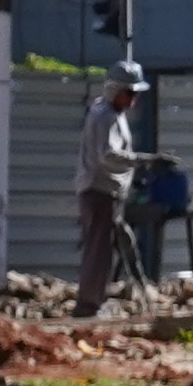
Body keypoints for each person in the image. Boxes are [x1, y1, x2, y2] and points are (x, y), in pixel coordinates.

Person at [75, 69, 146, 303]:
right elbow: (107, 155)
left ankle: (96, 299)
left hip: (108, 190)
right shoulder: (104, 115)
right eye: (129, 93)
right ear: (115, 90)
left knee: (105, 250)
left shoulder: (113, 114)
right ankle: (89, 303)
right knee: (98, 250)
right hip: (99, 190)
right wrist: (142, 160)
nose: (133, 99)